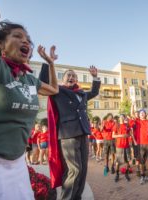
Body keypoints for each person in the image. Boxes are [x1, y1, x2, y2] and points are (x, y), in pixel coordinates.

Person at [0, 1, 59, 199]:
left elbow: (54, 89)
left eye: (28, 39)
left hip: (19, 162)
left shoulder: (29, 78)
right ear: (0, 44)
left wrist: (51, 63)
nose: (26, 42)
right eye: (17, 36)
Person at [46, 65, 100, 200]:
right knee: (74, 170)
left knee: (82, 171)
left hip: (83, 132)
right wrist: (49, 62)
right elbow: (45, 83)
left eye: (74, 76)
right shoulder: (58, 91)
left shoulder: (81, 93)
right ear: (63, 79)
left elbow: (93, 92)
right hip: (68, 135)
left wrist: (95, 77)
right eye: (68, 75)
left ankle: (76, 197)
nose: (71, 77)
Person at [112, 114, 132, 182]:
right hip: (119, 146)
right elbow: (113, 136)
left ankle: (126, 174)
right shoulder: (116, 125)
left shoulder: (127, 125)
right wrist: (121, 135)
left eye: (123, 117)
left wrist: (128, 135)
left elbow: (129, 134)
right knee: (118, 162)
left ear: (125, 118)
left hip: (126, 146)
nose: (122, 118)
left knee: (127, 161)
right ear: (119, 118)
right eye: (120, 117)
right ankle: (117, 174)